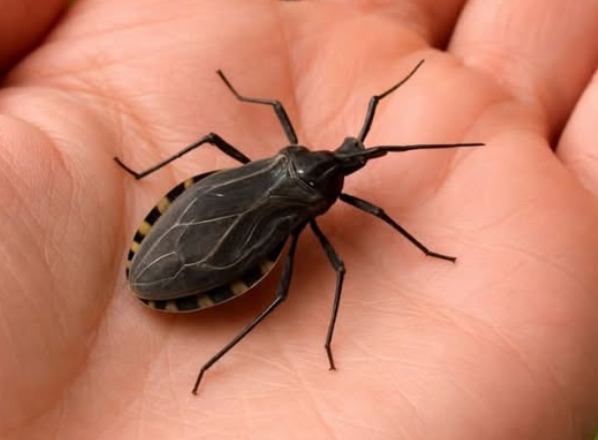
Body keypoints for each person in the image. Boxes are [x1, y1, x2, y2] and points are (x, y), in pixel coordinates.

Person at [1, 0, 597, 439]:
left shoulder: (312, 176)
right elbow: (345, 256)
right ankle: (211, 359)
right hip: (242, 208)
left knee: (278, 267)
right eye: (357, 151)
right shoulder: (320, 189)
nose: (357, 150)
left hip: (221, 201)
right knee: (298, 283)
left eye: (357, 153)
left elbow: (356, 181)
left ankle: (213, 358)